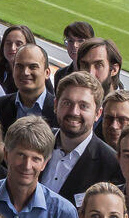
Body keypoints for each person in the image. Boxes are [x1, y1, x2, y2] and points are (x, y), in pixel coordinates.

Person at [41, 71, 120, 206]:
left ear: (97, 113)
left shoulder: (112, 165)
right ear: (55, 105)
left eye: (83, 106)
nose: (74, 112)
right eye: (67, 103)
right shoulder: (35, 142)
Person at [0, 40, 54, 130]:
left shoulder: (59, 111)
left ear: (47, 73)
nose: (25, 72)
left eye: (33, 67)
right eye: (19, 66)